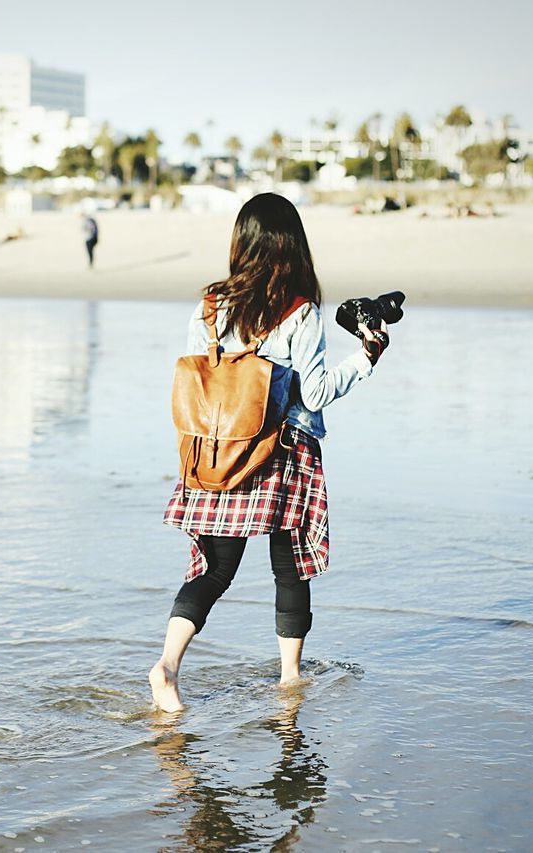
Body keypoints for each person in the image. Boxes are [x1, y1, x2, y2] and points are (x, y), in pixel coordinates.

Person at [151, 193, 390, 713]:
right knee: (290, 566)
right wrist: (367, 357)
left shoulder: (209, 305)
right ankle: (289, 681)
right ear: (291, 245)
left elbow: (203, 382)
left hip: (214, 453)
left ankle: (167, 667)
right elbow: (317, 392)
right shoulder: (298, 310)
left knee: (212, 570)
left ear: (241, 243)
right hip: (280, 452)